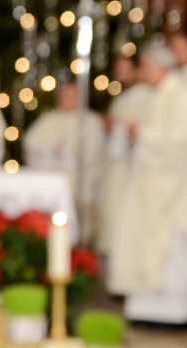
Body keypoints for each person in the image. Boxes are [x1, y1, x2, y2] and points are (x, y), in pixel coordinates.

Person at [108, 45, 187, 307]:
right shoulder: (155, 94)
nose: (142, 72)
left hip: (169, 185)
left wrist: (142, 134)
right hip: (147, 178)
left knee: (166, 245)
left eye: (145, 67)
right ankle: (146, 306)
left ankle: (168, 309)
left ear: (161, 68)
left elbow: (179, 141)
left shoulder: (179, 94)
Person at [24, 82, 105, 246]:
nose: (67, 100)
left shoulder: (90, 121)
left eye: (72, 96)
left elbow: (94, 151)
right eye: (64, 96)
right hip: (50, 185)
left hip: (80, 189)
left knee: (82, 230)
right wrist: (50, 149)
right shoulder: (48, 119)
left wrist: (69, 152)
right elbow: (31, 143)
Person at [99, 55, 150, 253]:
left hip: (133, 167)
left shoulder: (146, 96)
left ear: (137, 70)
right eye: (117, 69)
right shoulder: (120, 99)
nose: (119, 74)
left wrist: (118, 127)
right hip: (116, 168)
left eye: (124, 69)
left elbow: (139, 130)